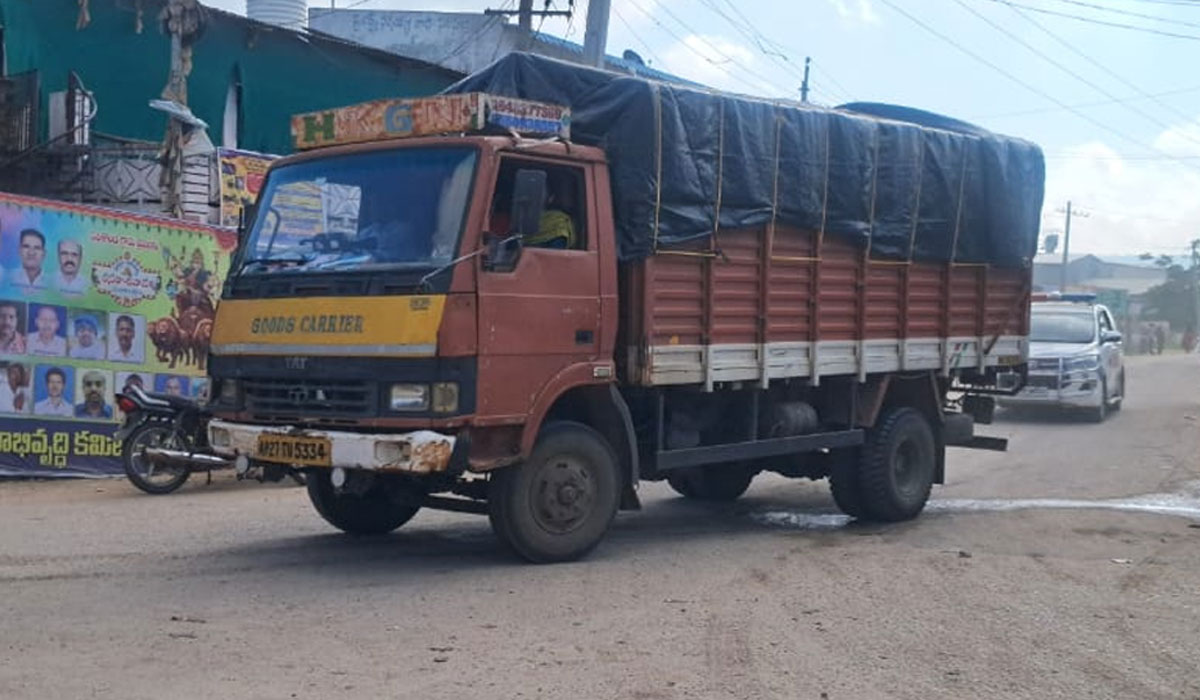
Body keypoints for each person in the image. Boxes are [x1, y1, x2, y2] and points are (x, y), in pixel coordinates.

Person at [526, 178, 577, 249]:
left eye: (539, 190)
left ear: (550, 198)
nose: (533, 194)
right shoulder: (518, 220)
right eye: (530, 190)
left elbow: (556, 253)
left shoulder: (558, 221)